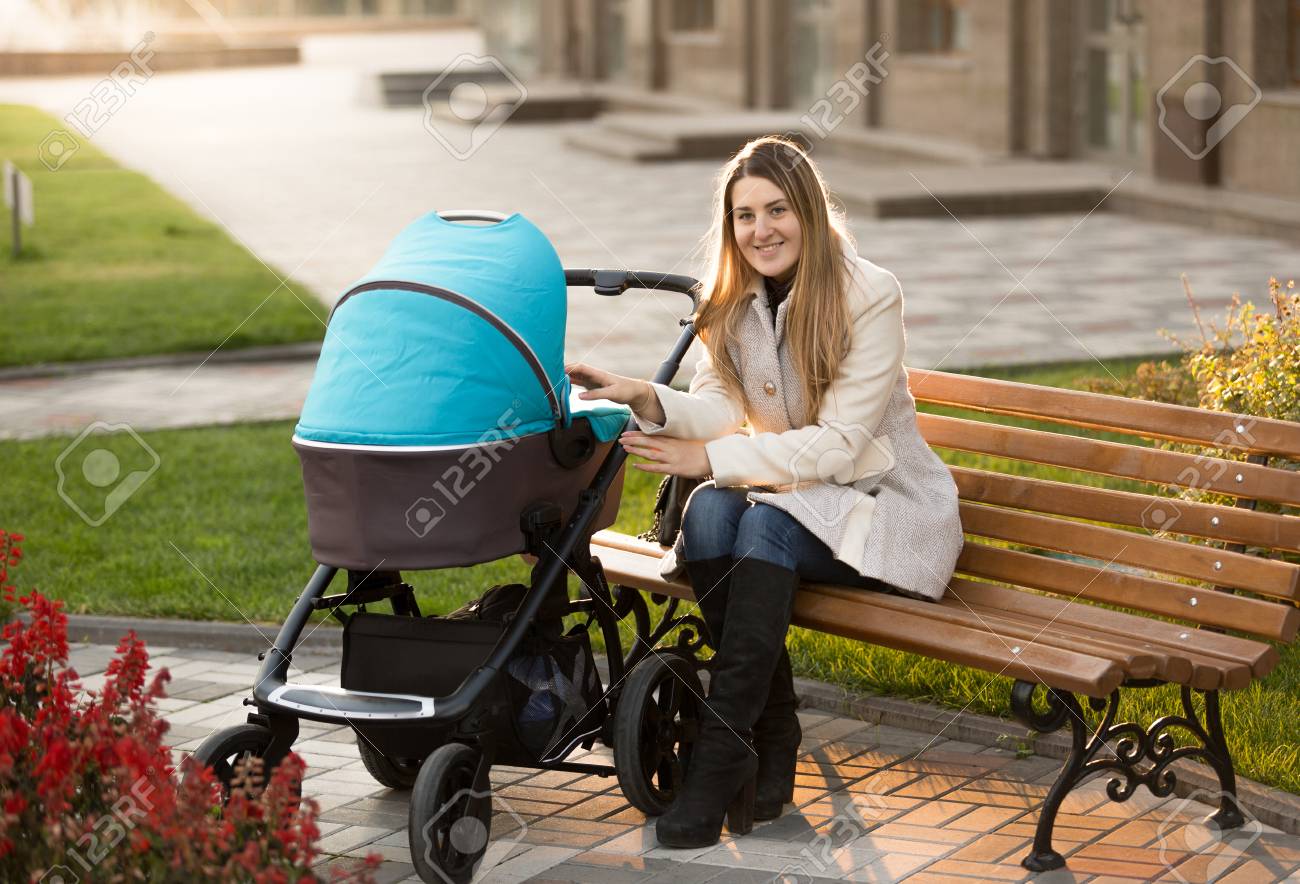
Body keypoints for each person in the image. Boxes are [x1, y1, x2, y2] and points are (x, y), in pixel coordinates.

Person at [565, 136, 963, 849]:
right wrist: (647, 397)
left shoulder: (869, 293)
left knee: (759, 524)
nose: (761, 230)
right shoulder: (732, 295)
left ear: (808, 210)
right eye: (744, 215)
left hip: (883, 509)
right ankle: (771, 734)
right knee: (710, 513)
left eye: (777, 210)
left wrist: (708, 457)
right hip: (797, 499)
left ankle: (720, 765)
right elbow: (720, 407)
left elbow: (841, 447)